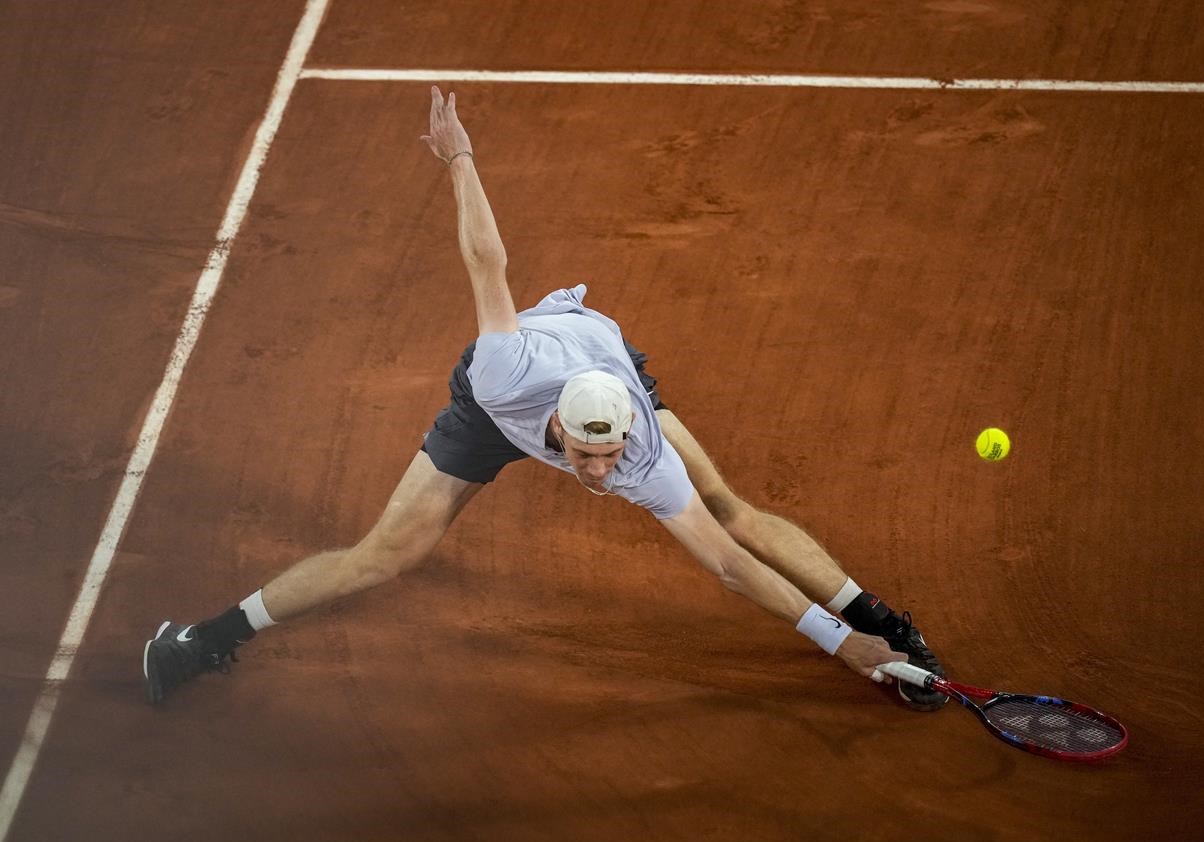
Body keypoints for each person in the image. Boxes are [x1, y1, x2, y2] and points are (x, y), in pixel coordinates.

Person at [144, 87, 947, 711]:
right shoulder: (505, 375)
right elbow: (487, 261)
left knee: (725, 505)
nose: (598, 476)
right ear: (555, 428)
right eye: (584, 454)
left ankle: (878, 615)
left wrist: (845, 639)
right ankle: (202, 639)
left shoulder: (640, 456)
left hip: (603, 355)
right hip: (495, 405)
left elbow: (730, 562)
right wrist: (460, 160)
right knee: (386, 555)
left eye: (608, 456)